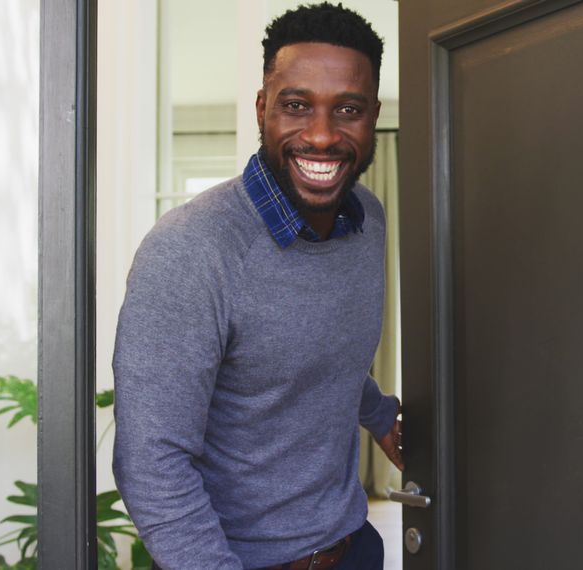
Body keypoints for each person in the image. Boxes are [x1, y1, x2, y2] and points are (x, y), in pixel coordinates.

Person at [112, 4, 402, 569]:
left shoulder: (367, 217)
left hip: (355, 547)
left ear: (373, 117)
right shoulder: (190, 250)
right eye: (296, 106)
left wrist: (380, 414)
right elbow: (152, 465)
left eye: (348, 109)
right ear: (263, 108)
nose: (322, 135)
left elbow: (317, 351)